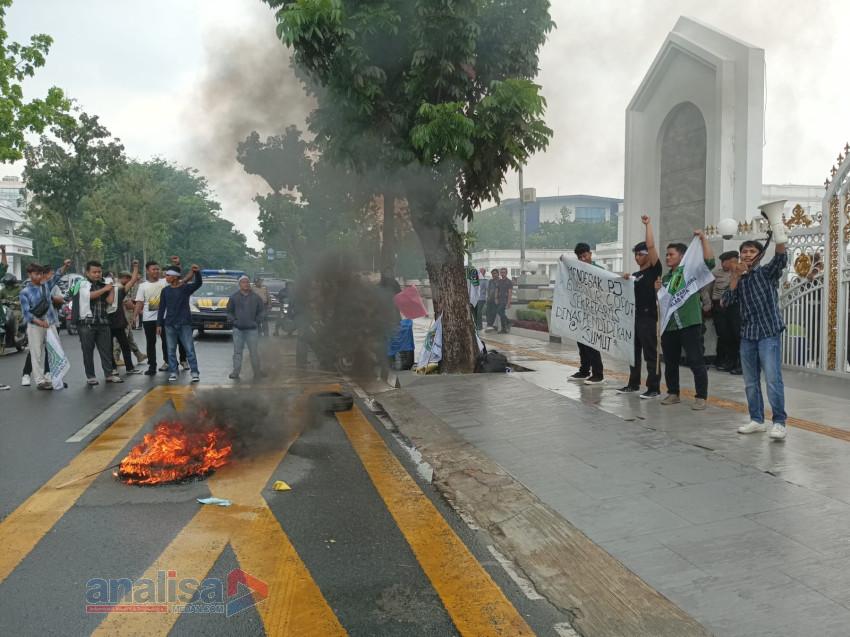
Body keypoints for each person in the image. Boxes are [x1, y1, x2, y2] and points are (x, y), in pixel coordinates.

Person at [724, 233, 789, 440]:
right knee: (750, 381)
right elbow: (725, 301)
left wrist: (779, 234)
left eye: (752, 251)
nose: (748, 254)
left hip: (768, 333)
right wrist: (735, 276)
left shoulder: (766, 273)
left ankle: (779, 422)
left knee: (772, 380)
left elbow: (780, 259)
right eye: (744, 252)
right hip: (748, 335)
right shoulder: (739, 278)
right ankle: (757, 420)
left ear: (759, 255)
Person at [656, 230, 715, 409]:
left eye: (671, 254)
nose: (667, 257)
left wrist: (703, 239)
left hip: (689, 323)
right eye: (666, 254)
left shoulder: (691, 272)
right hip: (670, 325)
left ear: (682, 256)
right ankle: (673, 393)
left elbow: (710, 262)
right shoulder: (665, 278)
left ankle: (701, 397)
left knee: (696, 360)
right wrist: (657, 289)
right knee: (671, 362)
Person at [618, 216, 662, 398]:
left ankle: (653, 387)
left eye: (641, 254)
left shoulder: (654, 270)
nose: (637, 257)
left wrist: (648, 225)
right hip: (633, 317)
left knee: (651, 354)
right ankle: (633, 383)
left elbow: (651, 246)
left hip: (648, 318)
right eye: (635, 254)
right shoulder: (635, 275)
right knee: (633, 353)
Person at [20, 259, 72, 390]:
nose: (38, 276)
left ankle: (55, 378)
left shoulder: (46, 286)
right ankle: (40, 381)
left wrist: (65, 266)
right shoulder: (24, 292)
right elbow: (27, 314)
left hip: (50, 323)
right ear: (29, 274)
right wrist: (40, 322)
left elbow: (57, 275)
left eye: (40, 273)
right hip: (35, 326)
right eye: (35, 274)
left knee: (55, 350)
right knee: (36, 353)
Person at [74, 260, 123, 385]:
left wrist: (111, 288)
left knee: (106, 350)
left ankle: (109, 374)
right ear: (87, 272)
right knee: (88, 351)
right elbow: (88, 296)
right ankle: (91, 376)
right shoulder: (82, 283)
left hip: (103, 321)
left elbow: (110, 301)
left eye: (99, 272)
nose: (97, 274)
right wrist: (105, 288)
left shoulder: (103, 284)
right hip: (86, 322)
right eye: (94, 272)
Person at [135, 261, 188, 375]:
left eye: (158, 269)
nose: (156, 271)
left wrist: (177, 265)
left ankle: (169, 362)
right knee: (150, 343)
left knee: (167, 342)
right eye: (153, 269)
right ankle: (152, 366)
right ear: (148, 271)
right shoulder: (142, 286)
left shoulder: (165, 282)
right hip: (148, 319)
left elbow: (177, 277)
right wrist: (134, 317)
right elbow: (139, 302)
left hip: (165, 318)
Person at [157, 265, 203, 382]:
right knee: (171, 350)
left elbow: (198, 284)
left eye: (168, 275)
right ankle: (173, 372)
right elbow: (162, 308)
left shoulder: (185, 288)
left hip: (184, 323)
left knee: (189, 349)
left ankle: (194, 372)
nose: (166, 277)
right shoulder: (165, 290)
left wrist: (197, 273)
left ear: (175, 277)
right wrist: (159, 324)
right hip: (169, 324)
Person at [569, 243, 605, 385]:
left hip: (595, 314)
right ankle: (584, 371)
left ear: (590, 254)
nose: (583, 259)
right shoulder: (576, 271)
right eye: (580, 257)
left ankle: (598, 374)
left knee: (592, 345)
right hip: (581, 313)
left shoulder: (599, 271)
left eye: (585, 256)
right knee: (582, 344)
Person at [227, 275, 265, 380]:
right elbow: (229, 312)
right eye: (243, 282)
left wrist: (256, 322)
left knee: (254, 352)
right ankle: (235, 372)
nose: (246, 284)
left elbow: (262, 311)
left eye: (247, 282)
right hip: (238, 330)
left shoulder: (256, 297)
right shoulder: (233, 297)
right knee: (237, 352)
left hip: (252, 330)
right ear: (239, 285)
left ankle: (257, 372)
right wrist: (234, 321)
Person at [109, 262, 143, 376]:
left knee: (123, 345)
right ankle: (119, 368)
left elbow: (133, 280)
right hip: (113, 323)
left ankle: (119, 368)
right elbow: (133, 280)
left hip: (116, 322)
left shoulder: (117, 290)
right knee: (121, 345)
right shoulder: (116, 290)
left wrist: (135, 267)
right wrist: (135, 267)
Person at [711, 251, 742, 374]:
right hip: (719, 307)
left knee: (737, 335)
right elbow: (708, 289)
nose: (723, 264)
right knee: (725, 335)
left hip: (734, 307)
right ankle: (728, 362)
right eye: (722, 262)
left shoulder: (740, 273)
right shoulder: (716, 274)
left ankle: (740, 363)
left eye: (726, 262)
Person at [494, 267, 513, 334]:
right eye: (501, 272)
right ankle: (504, 329)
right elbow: (496, 290)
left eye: (504, 272)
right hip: (499, 299)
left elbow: (510, 293)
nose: (502, 274)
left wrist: (509, 302)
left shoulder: (509, 282)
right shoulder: (499, 281)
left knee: (499, 311)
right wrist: (496, 298)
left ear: (506, 273)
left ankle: (508, 322)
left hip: (505, 300)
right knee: (502, 314)